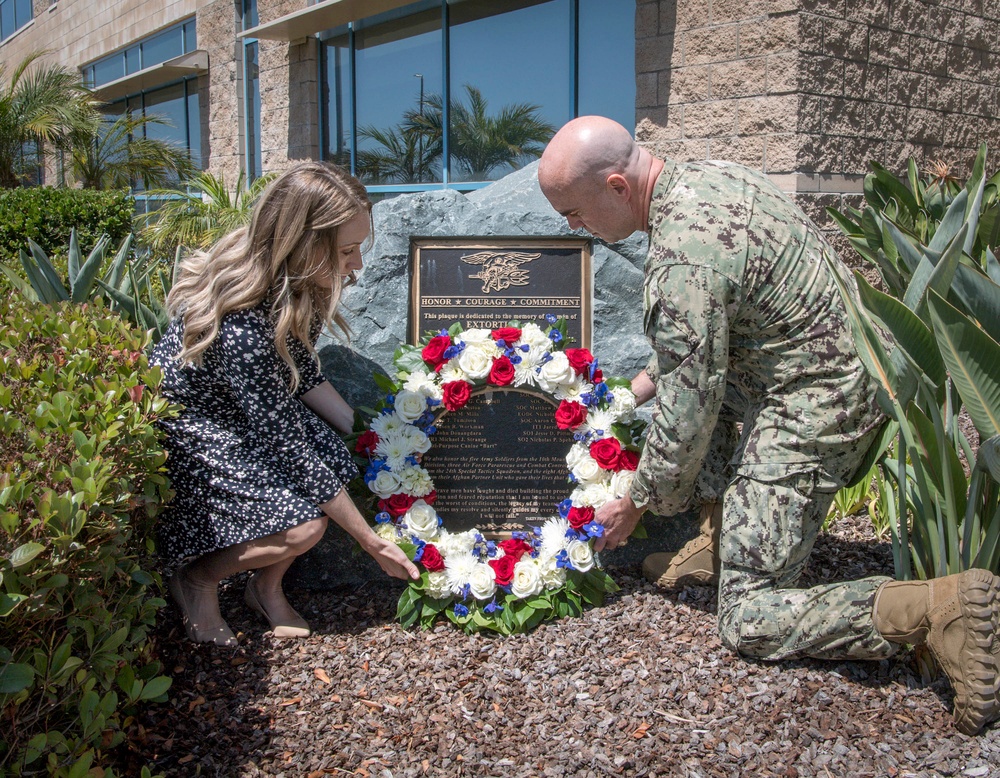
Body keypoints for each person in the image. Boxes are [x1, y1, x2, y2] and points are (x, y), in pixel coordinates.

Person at [537, 116, 1000, 735]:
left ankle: (934, 610)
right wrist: (625, 394)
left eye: (573, 212)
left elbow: (688, 405)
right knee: (717, 405)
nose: (573, 228)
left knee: (749, 620)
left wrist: (637, 502)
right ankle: (726, 541)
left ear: (619, 188)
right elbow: (696, 347)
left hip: (820, 401)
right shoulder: (703, 179)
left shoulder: (683, 258)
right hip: (820, 368)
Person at [151, 161, 419, 647]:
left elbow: (302, 372)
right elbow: (289, 451)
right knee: (303, 526)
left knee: (339, 456)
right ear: (302, 244)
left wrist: (377, 436)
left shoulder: (300, 283)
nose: (356, 263)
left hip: (257, 411)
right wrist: (370, 541)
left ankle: (264, 587)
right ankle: (197, 579)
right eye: (346, 250)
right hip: (201, 425)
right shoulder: (241, 325)